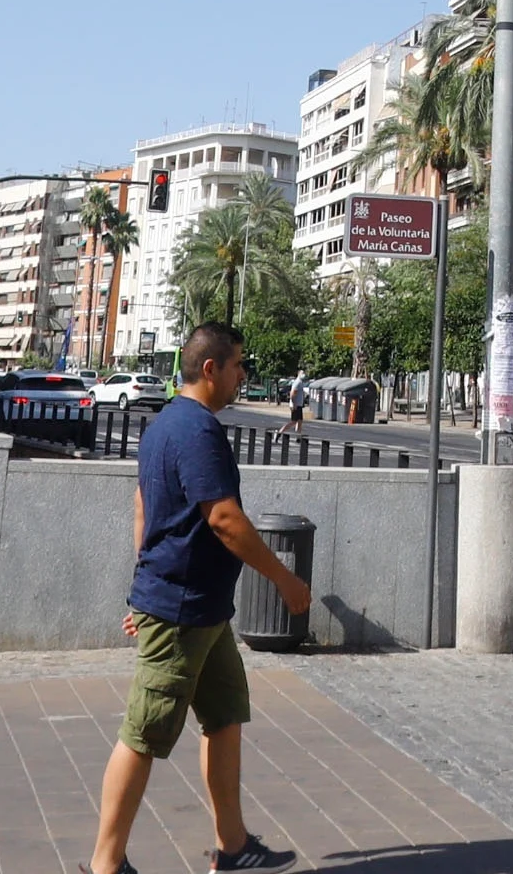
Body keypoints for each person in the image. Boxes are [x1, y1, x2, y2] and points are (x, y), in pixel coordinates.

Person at [87, 320, 316, 874]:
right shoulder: (195, 431)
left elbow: (146, 506)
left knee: (224, 717)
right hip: (183, 609)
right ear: (210, 369)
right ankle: (105, 865)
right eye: (239, 364)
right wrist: (285, 581)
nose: (244, 374)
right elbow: (222, 517)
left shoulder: (166, 423)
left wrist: (142, 584)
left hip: (201, 609)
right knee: (144, 734)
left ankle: (234, 848)